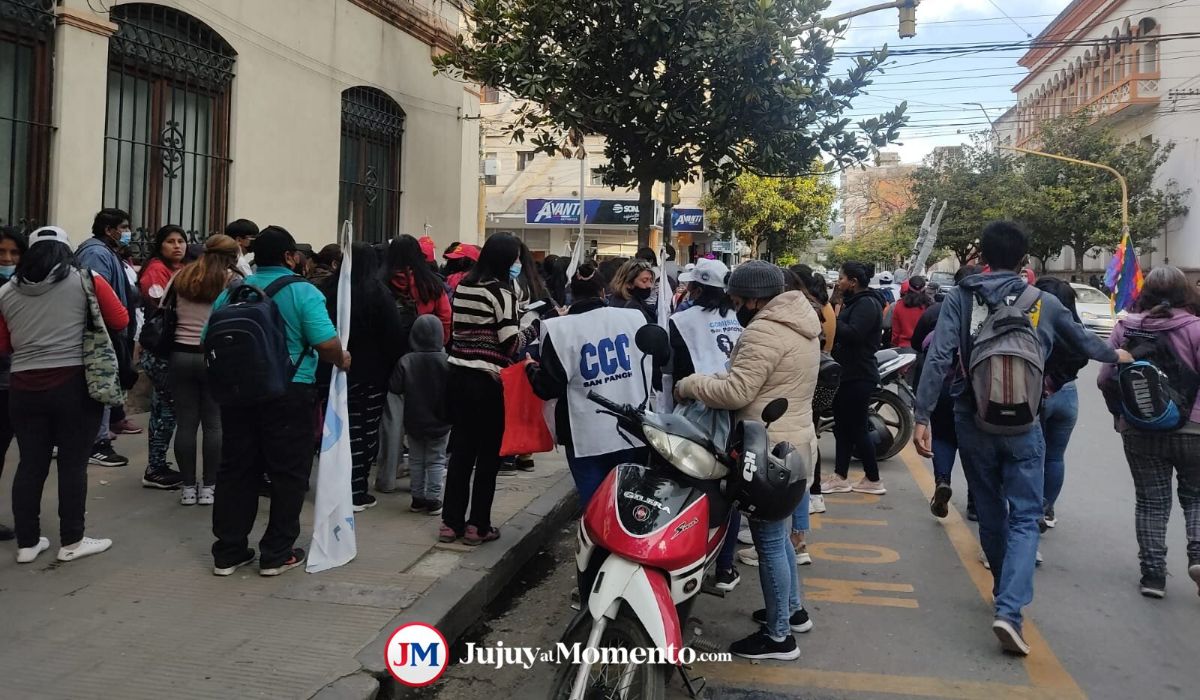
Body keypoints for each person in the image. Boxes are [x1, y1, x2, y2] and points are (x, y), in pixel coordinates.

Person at [914, 221, 1127, 655]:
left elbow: (938, 357)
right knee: (1026, 516)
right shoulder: (1042, 301)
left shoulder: (960, 297)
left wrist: (922, 415)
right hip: (1026, 421)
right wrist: (1118, 353)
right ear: (1024, 260)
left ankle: (1001, 591)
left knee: (990, 509)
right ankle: (1010, 611)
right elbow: (1084, 343)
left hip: (972, 415)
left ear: (982, 258)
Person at [675, 261, 821, 660]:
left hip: (767, 449)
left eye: (738, 300)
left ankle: (778, 637)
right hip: (794, 443)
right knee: (781, 536)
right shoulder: (801, 322)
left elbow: (737, 392)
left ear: (755, 299)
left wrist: (690, 385)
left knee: (769, 541)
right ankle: (792, 611)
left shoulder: (764, 331)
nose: (735, 307)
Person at [208, 226, 351, 577]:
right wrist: (342, 358)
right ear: (290, 256)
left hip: (238, 394)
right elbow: (325, 343)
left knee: (236, 469)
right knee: (288, 473)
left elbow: (205, 338)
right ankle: (276, 553)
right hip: (290, 392)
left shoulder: (233, 292)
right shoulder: (303, 291)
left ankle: (228, 552)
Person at [0, 226, 128, 563]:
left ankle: (27, 544)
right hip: (74, 384)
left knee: (30, 463)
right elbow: (120, 319)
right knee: (73, 464)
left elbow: (3, 344)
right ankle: (72, 540)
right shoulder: (86, 280)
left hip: (23, 388)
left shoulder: (7, 291)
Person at [1098, 265, 1200, 599]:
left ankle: (1153, 577)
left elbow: (1105, 378)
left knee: (1151, 503)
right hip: (1194, 430)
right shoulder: (1196, 328)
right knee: (1196, 498)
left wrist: (1121, 415)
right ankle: (1198, 558)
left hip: (1140, 428)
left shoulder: (1126, 327)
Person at [439, 234, 539, 546]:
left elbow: (459, 330)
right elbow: (510, 343)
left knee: (461, 453)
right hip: (488, 382)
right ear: (504, 260)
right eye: (515, 258)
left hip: (457, 376)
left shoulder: (464, 286)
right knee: (488, 457)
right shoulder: (501, 292)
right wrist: (534, 327)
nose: (517, 263)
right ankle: (477, 525)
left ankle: (450, 523)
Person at [527, 264, 648, 506]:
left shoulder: (560, 329)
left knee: (594, 504)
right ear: (603, 292)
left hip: (583, 433)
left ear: (572, 294)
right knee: (628, 501)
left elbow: (548, 387)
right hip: (632, 427)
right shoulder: (634, 318)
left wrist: (530, 369)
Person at [321, 241, 406, 512]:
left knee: (336, 431)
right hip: (371, 374)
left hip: (331, 371)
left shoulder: (328, 289)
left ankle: (334, 487)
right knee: (364, 433)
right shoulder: (378, 293)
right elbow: (394, 337)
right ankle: (356, 490)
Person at [168, 234, 241, 506]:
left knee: (185, 423)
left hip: (179, 354)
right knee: (214, 423)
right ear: (232, 256)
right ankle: (210, 486)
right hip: (213, 355)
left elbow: (164, 309)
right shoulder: (231, 281)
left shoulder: (182, 276)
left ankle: (188, 488)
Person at [377, 235, 451, 493]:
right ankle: (427, 481)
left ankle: (387, 477)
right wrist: (437, 345)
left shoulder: (382, 281)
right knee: (430, 413)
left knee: (392, 418)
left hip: (391, 356)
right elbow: (445, 317)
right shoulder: (431, 282)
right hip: (428, 356)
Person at [912, 264, 983, 521]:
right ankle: (975, 503)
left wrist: (922, 414)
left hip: (944, 385)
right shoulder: (990, 309)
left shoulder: (938, 309)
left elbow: (920, 345)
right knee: (975, 446)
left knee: (943, 436)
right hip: (978, 390)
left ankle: (942, 480)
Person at [75, 208, 136, 469]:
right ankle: (96, 443)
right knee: (101, 384)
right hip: (103, 331)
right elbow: (95, 293)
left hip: (112, 329)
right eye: (123, 228)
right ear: (109, 230)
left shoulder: (107, 251)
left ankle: (99, 435)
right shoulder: (96, 253)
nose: (127, 233)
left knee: (108, 385)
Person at [822, 262, 887, 495]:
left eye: (841, 278)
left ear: (853, 281)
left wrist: (834, 321)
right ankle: (840, 476)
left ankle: (873, 479)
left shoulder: (867, 303)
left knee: (857, 428)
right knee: (843, 428)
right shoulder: (855, 302)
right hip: (847, 374)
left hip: (859, 375)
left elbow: (855, 334)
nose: (838, 282)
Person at [136, 225, 189, 490]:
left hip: (167, 348)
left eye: (181, 241)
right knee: (166, 410)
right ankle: (155, 467)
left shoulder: (181, 268)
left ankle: (156, 464)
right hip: (160, 350)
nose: (177, 246)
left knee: (163, 407)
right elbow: (159, 302)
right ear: (160, 245)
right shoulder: (156, 270)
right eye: (171, 241)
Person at [1034, 277, 1088, 532]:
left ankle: (1030, 511)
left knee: (1030, 456)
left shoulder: (1036, 323)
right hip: (1067, 394)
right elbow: (1084, 355)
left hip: (1036, 392)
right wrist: (1059, 380)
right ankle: (1046, 509)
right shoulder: (1074, 327)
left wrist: (1048, 382)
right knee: (1055, 457)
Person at [390, 315, 451, 515]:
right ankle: (433, 499)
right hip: (441, 419)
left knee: (416, 459)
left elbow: (395, 387)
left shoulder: (406, 361)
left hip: (413, 419)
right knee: (436, 459)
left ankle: (417, 498)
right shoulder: (447, 361)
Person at [0, 226, 26, 541]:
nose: (7, 259)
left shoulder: (22, 289)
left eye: (14, 253)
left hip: (8, 382)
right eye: (1, 252)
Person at [609, 258, 656, 324]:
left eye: (651, 280)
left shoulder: (614, 299)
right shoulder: (633, 308)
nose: (650, 285)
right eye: (644, 281)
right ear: (629, 283)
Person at [891, 275, 931, 350]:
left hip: (903, 347)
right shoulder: (929, 306)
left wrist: (894, 345)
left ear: (909, 288)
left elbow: (896, 332)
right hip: (924, 347)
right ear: (924, 289)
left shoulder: (899, 305)